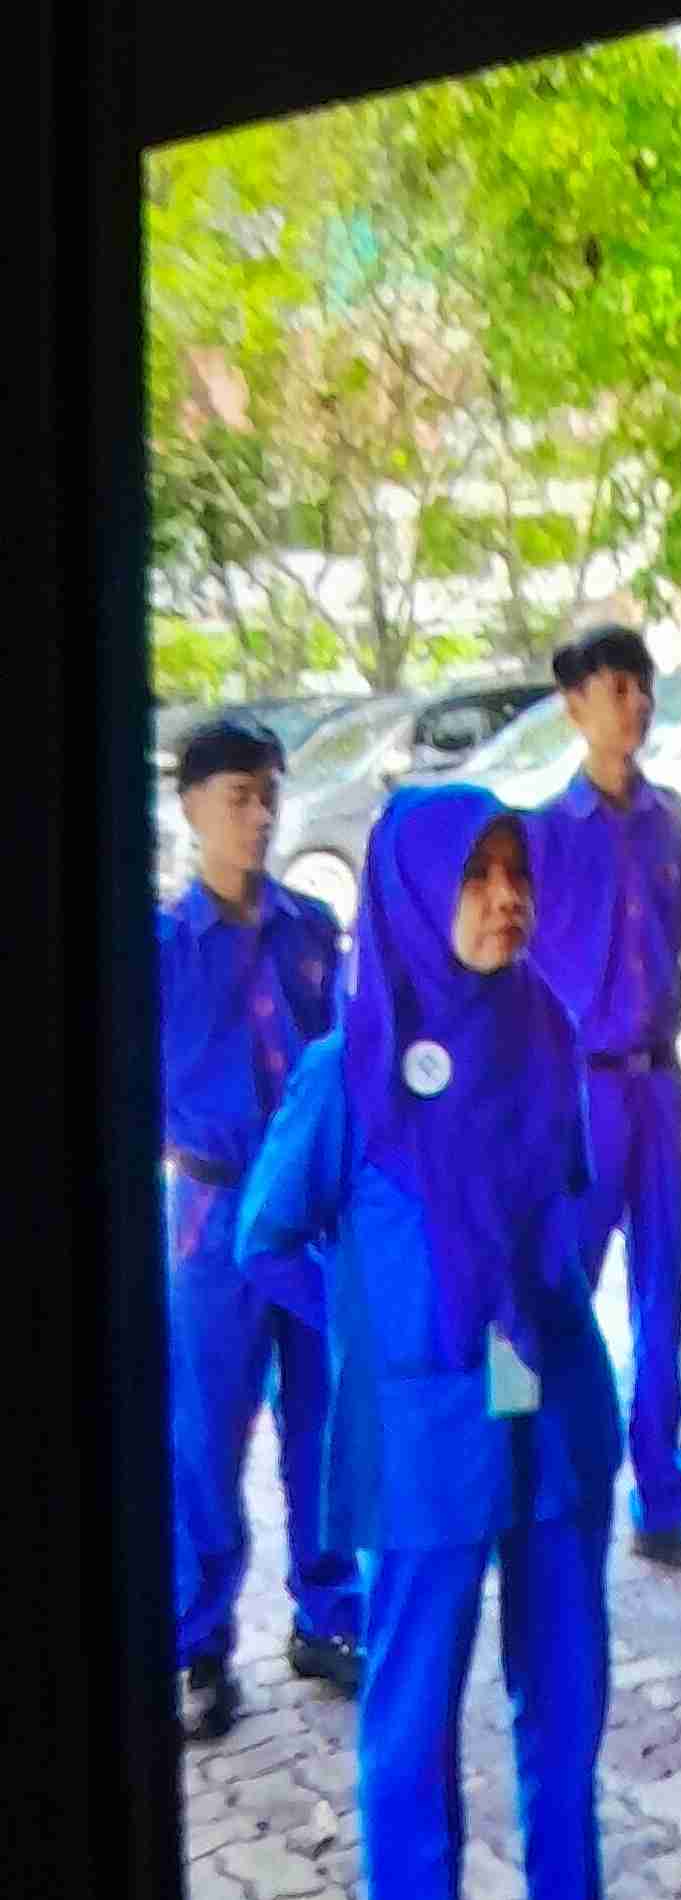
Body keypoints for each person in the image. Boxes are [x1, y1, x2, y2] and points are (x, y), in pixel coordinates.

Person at [236, 788, 648, 1900]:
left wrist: (529, 1328)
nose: (505, 898)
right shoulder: (347, 1070)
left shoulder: (545, 1029)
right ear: (415, 896)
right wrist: (375, 1337)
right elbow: (266, 1240)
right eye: (476, 876)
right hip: (423, 1427)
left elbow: (564, 1203)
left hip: (538, 1391)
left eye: (516, 872)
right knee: (413, 1703)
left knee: (565, 1668)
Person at [523, 624, 681, 1574]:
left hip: (661, 1087)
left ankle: (663, 1499)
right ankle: (538, 1487)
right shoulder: (539, 836)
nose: (637, 705)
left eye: (644, 687)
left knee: (664, 1301)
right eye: (617, 689)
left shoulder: (673, 821)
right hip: (578, 1095)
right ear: (574, 706)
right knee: (554, 1295)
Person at [157, 714, 361, 1739]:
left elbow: (349, 1063)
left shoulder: (312, 928)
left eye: (270, 795)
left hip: (308, 1212)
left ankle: (328, 1613)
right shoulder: (161, 949)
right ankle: (198, 1640)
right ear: (191, 807)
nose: (260, 816)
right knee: (206, 1431)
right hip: (211, 1214)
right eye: (238, 797)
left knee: (322, 1417)